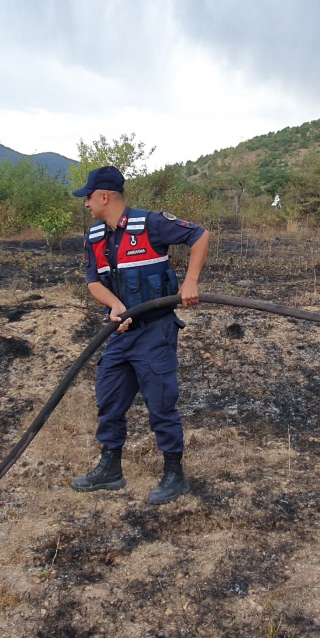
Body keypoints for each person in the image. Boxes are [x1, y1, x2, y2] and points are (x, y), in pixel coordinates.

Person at [69, 165, 210, 505]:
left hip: (155, 333)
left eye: (88, 198)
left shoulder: (150, 223)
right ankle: (110, 470)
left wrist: (190, 281)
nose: (86, 204)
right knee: (109, 398)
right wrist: (115, 305)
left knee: (161, 404)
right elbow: (92, 283)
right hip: (121, 333)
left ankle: (174, 475)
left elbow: (200, 235)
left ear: (104, 196)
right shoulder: (94, 237)